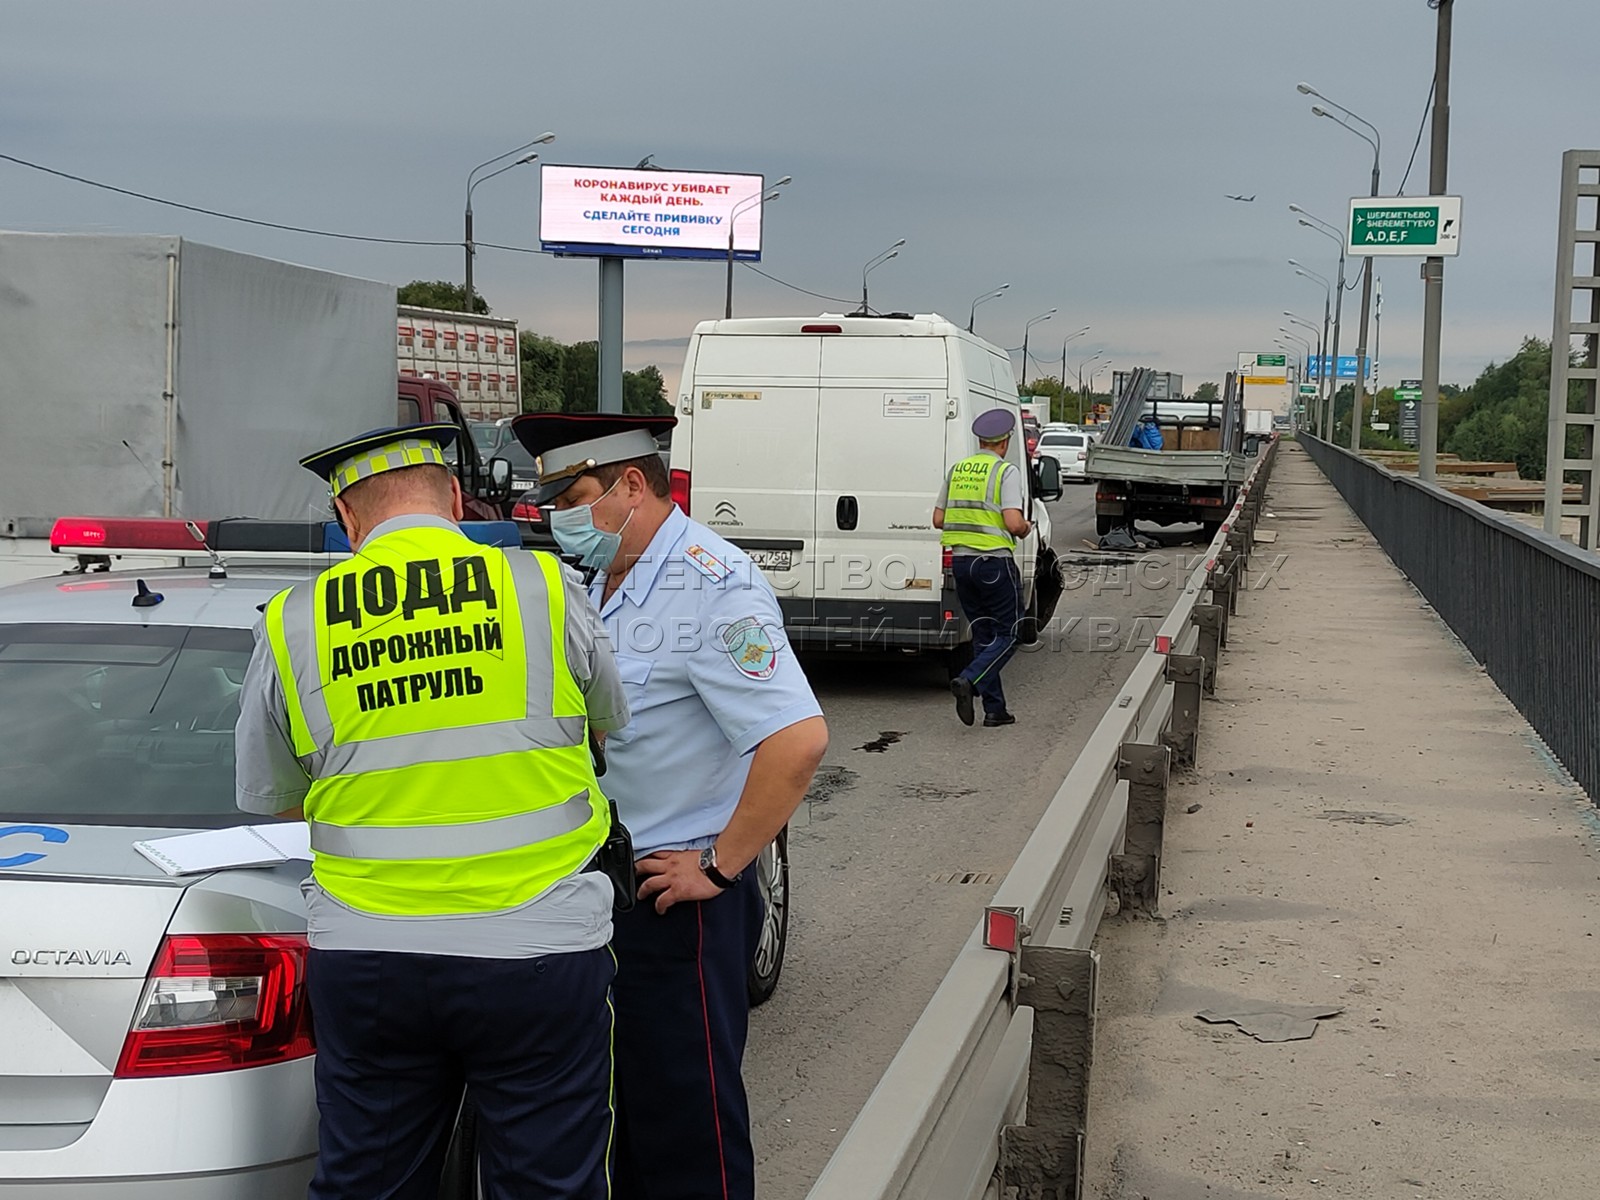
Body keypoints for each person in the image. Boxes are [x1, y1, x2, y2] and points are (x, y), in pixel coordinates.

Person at [234, 423, 629, 1200]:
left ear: (347, 519)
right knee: (549, 1185)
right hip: (537, 943)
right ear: (455, 497)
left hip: (368, 951)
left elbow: (270, 796)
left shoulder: (291, 621)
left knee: (368, 1183)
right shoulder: (543, 586)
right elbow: (607, 723)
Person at [514, 412, 829, 1200]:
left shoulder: (714, 584)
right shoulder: (597, 577)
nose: (559, 517)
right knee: (613, 1114)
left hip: (673, 899)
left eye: (573, 496)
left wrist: (720, 869)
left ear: (630, 485)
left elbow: (797, 742)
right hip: (596, 889)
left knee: (686, 1123)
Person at [932, 408, 1032, 728]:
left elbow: (938, 519)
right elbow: (1013, 522)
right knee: (1009, 632)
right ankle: (969, 679)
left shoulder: (957, 470)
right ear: (1005, 441)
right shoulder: (1006, 472)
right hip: (992, 562)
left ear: (981, 440)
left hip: (960, 563)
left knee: (983, 633)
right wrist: (1025, 528)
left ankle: (995, 710)